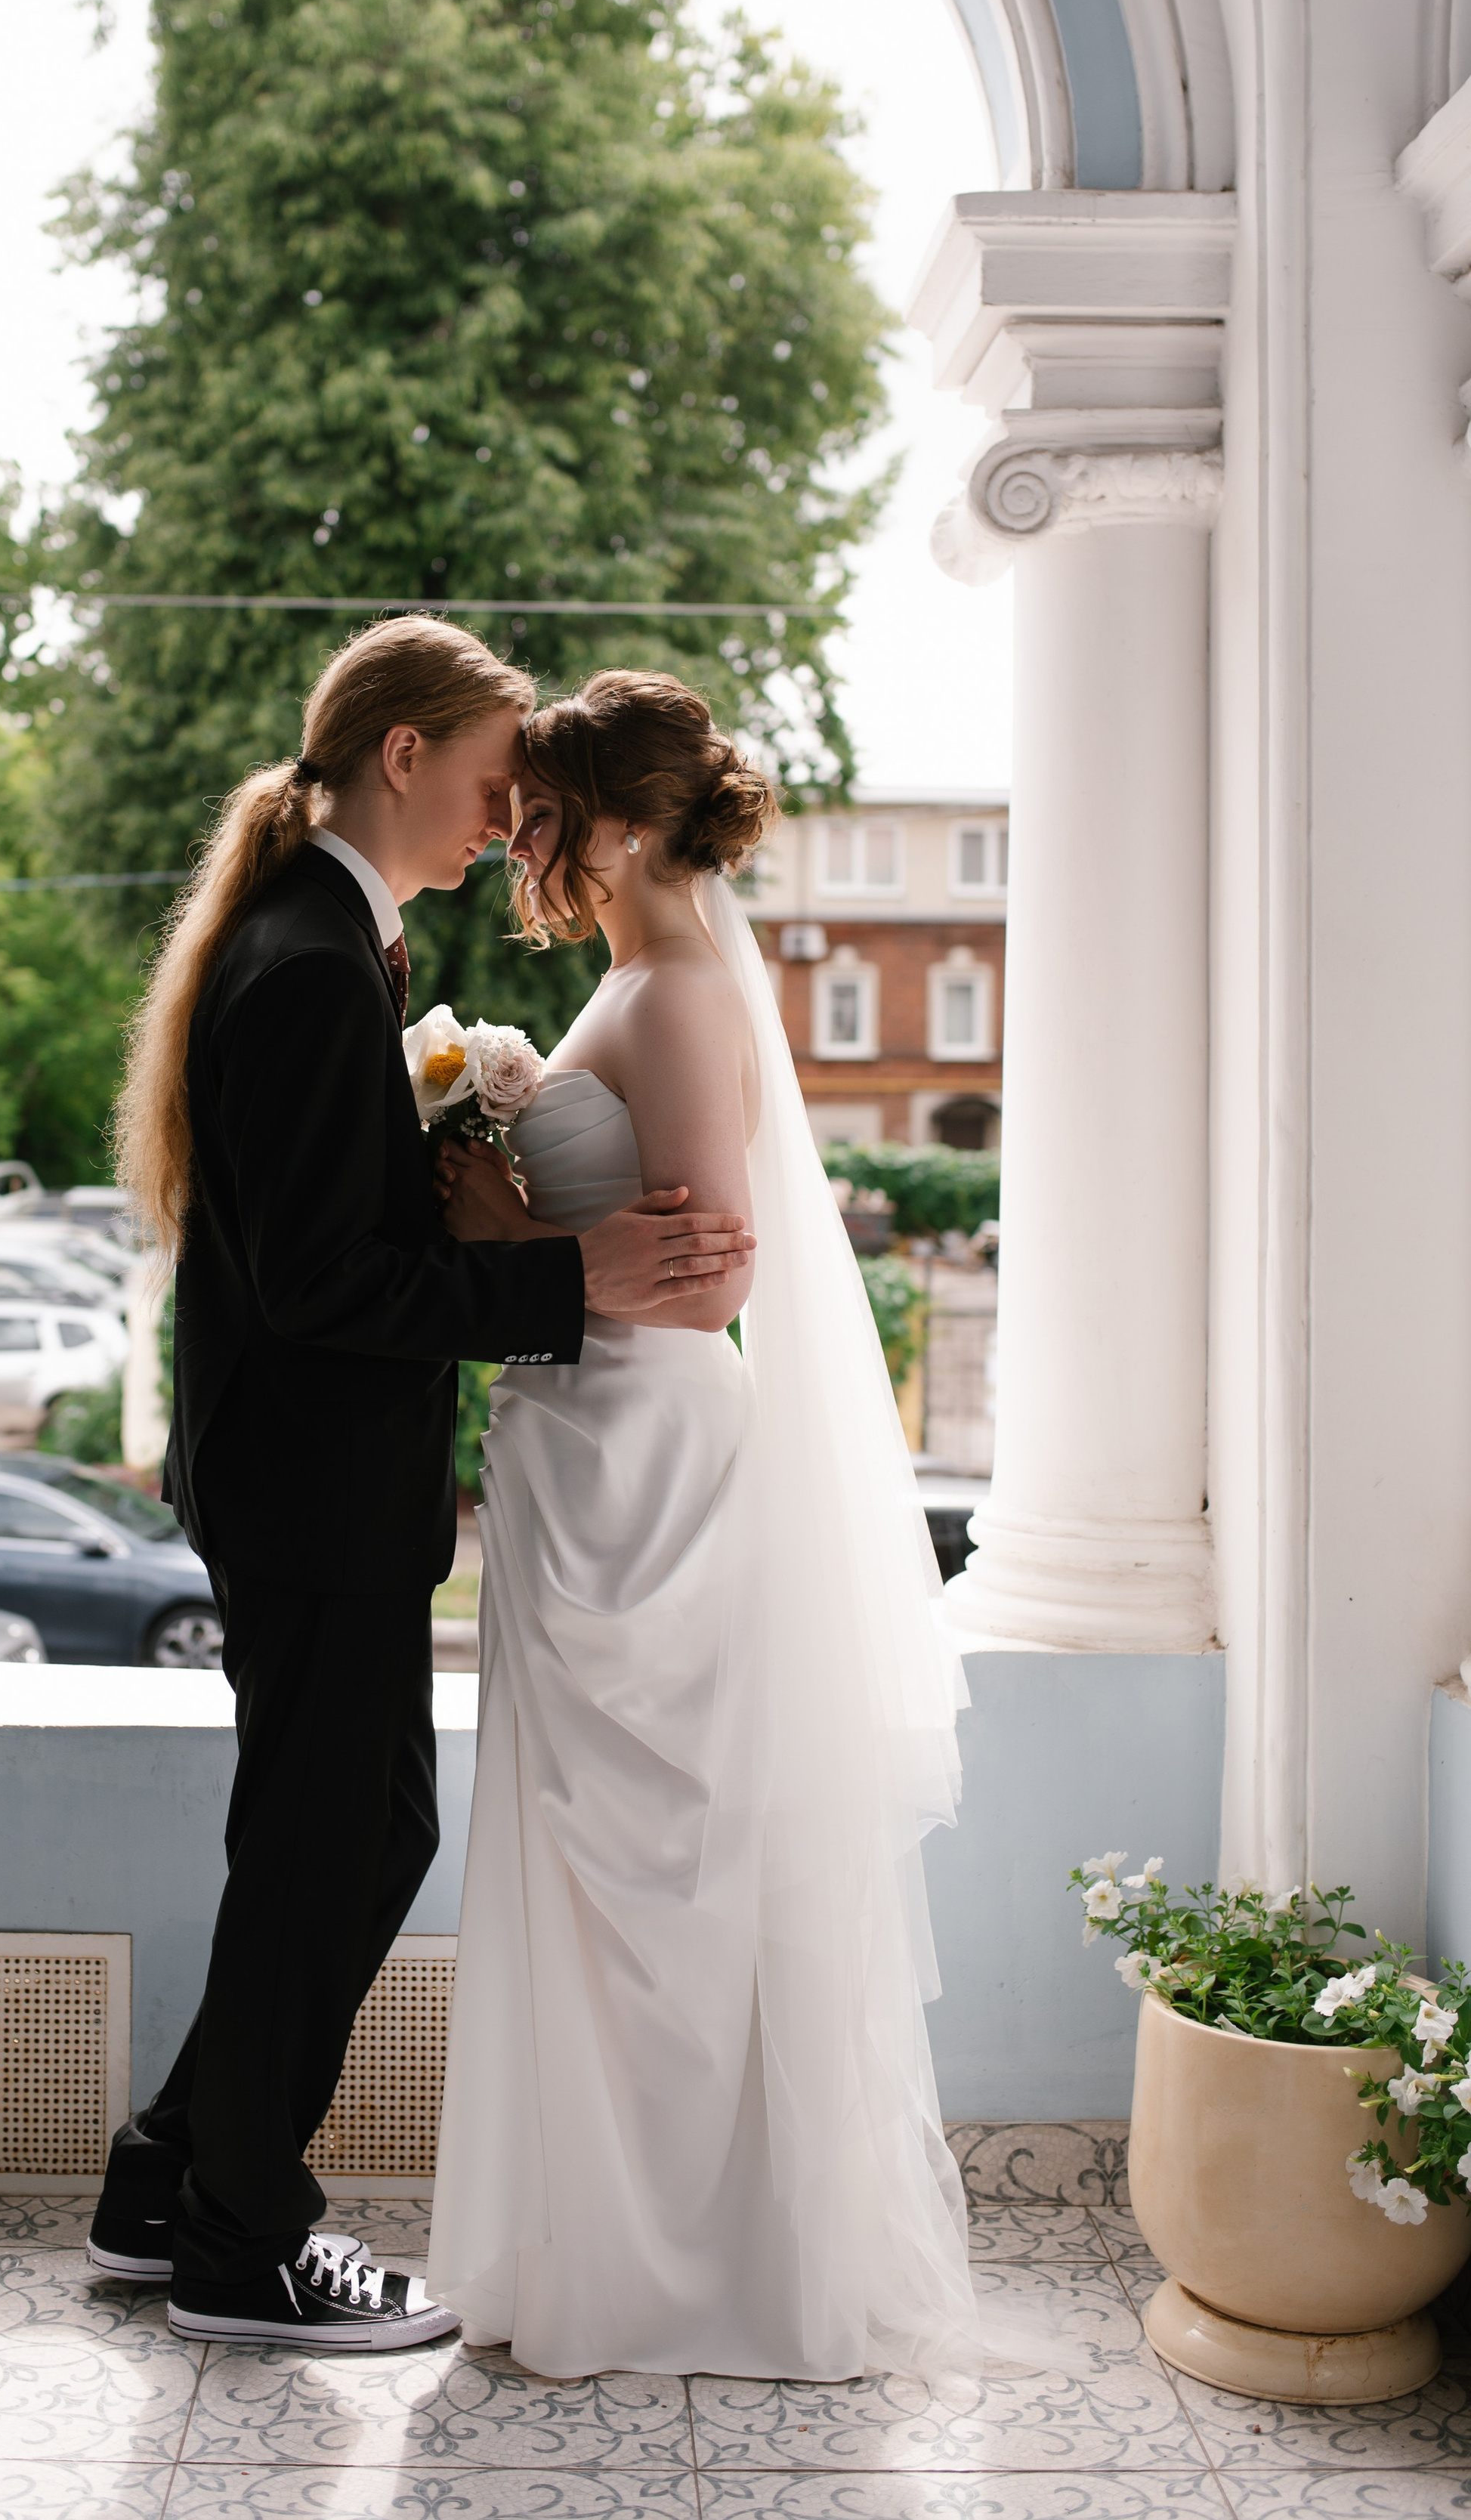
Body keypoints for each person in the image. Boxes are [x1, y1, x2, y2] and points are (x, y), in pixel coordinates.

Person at [87, 620, 758, 2354]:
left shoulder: (319, 934)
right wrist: (569, 1284)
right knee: (350, 1830)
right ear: (399, 755)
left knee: (316, 1828)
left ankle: (169, 2178)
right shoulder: (312, 955)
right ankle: (243, 2236)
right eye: (478, 783)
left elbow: (330, 1244)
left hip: (299, 1468)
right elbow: (324, 1284)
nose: (494, 819)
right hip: (312, 1475)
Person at [425, 668, 981, 2381]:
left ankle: (673, 2265)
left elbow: (702, 1267)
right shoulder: (633, 981)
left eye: (551, 811)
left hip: (642, 1456)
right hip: (583, 1444)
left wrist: (496, 1205)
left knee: (651, 1868)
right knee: (593, 1872)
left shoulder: (671, 999)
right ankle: (592, 2240)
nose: (528, 838)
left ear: (638, 820)